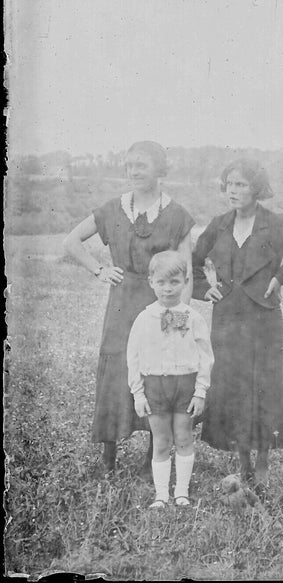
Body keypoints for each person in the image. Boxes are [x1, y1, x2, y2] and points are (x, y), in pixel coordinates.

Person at [192, 157, 283, 488]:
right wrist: (203, 289)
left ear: (257, 189)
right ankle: (242, 466)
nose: (233, 191)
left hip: (264, 319)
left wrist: (282, 276)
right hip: (226, 320)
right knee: (232, 388)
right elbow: (192, 263)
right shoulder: (219, 224)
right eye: (230, 184)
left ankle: (263, 468)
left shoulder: (275, 222)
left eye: (242, 184)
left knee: (264, 390)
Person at [63, 141, 195, 474]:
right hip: (121, 304)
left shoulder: (177, 215)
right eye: (130, 165)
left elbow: (187, 272)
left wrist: (179, 316)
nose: (134, 172)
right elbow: (71, 241)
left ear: (159, 169)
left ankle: (156, 459)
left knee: (159, 375)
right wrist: (100, 269)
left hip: (160, 304)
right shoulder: (112, 209)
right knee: (116, 373)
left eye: (142, 165)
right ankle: (108, 460)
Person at [127, 251, 214, 508]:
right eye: (162, 282)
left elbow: (205, 356)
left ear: (186, 282)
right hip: (155, 386)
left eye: (174, 282)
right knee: (162, 440)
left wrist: (200, 391)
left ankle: (182, 492)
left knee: (184, 437)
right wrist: (138, 394)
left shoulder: (192, 317)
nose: (168, 289)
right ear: (151, 282)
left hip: (184, 385)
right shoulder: (144, 319)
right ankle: (162, 495)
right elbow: (133, 357)